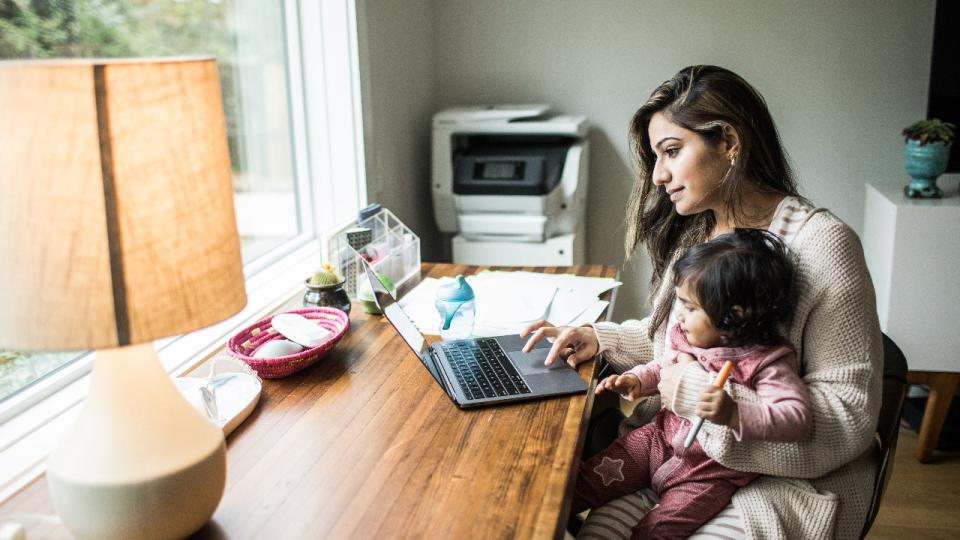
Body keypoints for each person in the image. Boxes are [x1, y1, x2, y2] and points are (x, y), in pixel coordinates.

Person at [521, 65, 882, 539]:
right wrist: (598, 338)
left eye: (671, 151)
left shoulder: (822, 245)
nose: (657, 176)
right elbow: (676, 341)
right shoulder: (703, 235)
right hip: (675, 457)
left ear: (729, 142)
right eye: (655, 157)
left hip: (781, 484)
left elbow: (848, 417)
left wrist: (706, 411)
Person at [573, 228, 810, 540]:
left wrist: (735, 414)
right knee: (586, 482)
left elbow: (797, 417)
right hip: (656, 441)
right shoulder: (688, 335)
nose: (679, 316)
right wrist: (639, 380)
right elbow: (664, 365)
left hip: (708, 476)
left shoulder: (767, 362)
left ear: (733, 315)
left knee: (657, 531)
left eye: (690, 307)